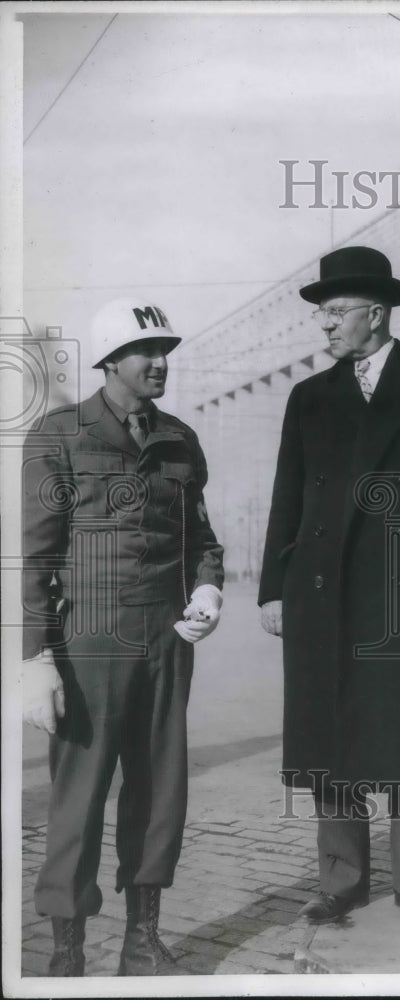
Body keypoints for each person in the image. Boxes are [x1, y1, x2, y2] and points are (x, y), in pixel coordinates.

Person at [259, 246, 400, 928]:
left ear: (375, 315)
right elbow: (286, 495)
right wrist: (271, 588)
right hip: (320, 589)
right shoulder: (308, 396)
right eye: (321, 315)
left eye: (335, 313)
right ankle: (341, 880)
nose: (323, 326)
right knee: (328, 737)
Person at [22, 299, 225, 976]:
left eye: (166, 349)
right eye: (146, 352)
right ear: (111, 361)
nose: (161, 363)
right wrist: (35, 659)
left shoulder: (179, 439)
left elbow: (201, 537)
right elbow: (36, 557)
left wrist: (206, 589)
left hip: (165, 641)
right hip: (89, 643)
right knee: (78, 797)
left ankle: (143, 940)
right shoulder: (59, 435)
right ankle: (66, 950)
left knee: (161, 791)